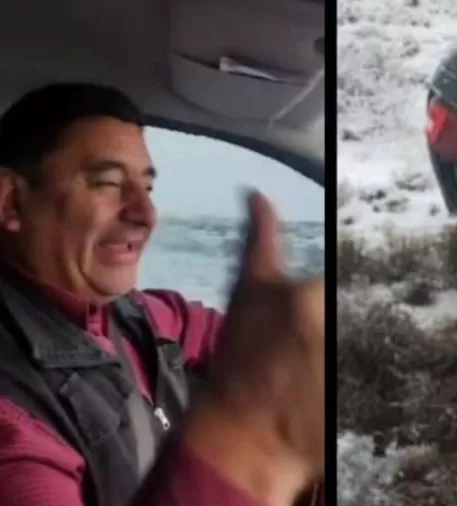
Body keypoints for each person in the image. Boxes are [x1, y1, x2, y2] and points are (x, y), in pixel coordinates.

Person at [0, 83, 325, 506]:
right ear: (11, 202)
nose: (146, 214)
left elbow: (269, 346)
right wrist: (254, 441)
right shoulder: (13, 417)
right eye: (107, 183)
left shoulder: (143, 316)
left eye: (147, 189)